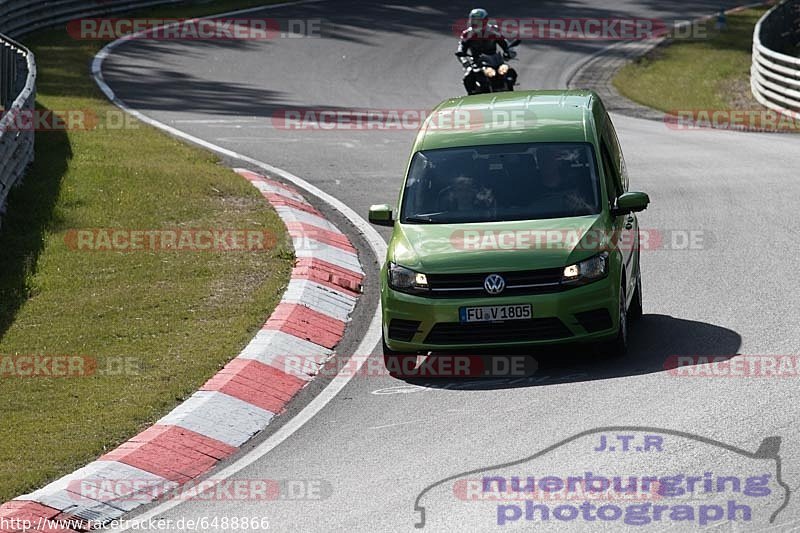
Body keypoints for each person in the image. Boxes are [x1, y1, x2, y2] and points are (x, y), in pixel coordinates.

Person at [455, 8, 514, 94]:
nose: (476, 23)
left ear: (485, 20)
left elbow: (504, 42)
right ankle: (472, 95)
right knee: (468, 77)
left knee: (509, 72)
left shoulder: (493, 30)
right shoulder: (467, 34)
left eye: (478, 21)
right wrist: (465, 62)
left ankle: (511, 92)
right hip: (477, 62)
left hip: (495, 60)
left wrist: (508, 52)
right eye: (474, 20)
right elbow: (461, 48)